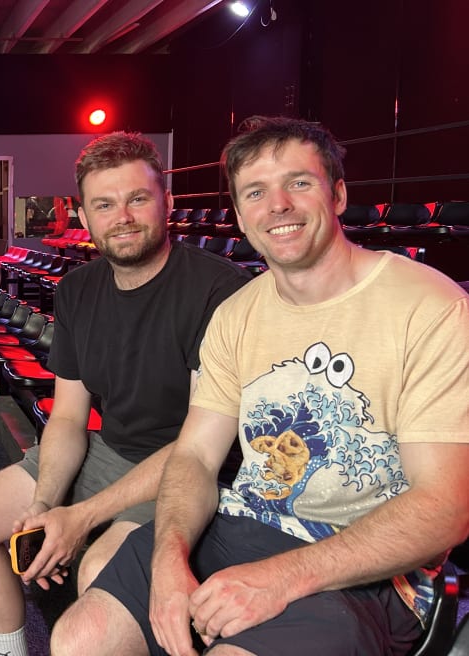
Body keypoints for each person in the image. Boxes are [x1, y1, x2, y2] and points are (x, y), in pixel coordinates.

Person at [51, 116, 469, 656]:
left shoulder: (431, 309)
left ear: (338, 194)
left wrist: (280, 578)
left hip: (369, 570)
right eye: (256, 191)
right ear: (242, 216)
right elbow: (196, 459)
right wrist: (168, 556)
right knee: (77, 638)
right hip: (242, 525)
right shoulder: (237, 314)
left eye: (299, 182)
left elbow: (445, 506)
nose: (278, 206)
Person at [0, 131, 251, 656]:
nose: (123, 217)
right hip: (109, 452)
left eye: (138, 199)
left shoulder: (221, 290)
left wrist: (80, 518)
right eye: (104, 204)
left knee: (97, 568)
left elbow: (199, 447)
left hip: (186, 468)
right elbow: (67, 418)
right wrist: (45, 505)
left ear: (167, 202)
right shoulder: (78, 290)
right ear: (83, 217)